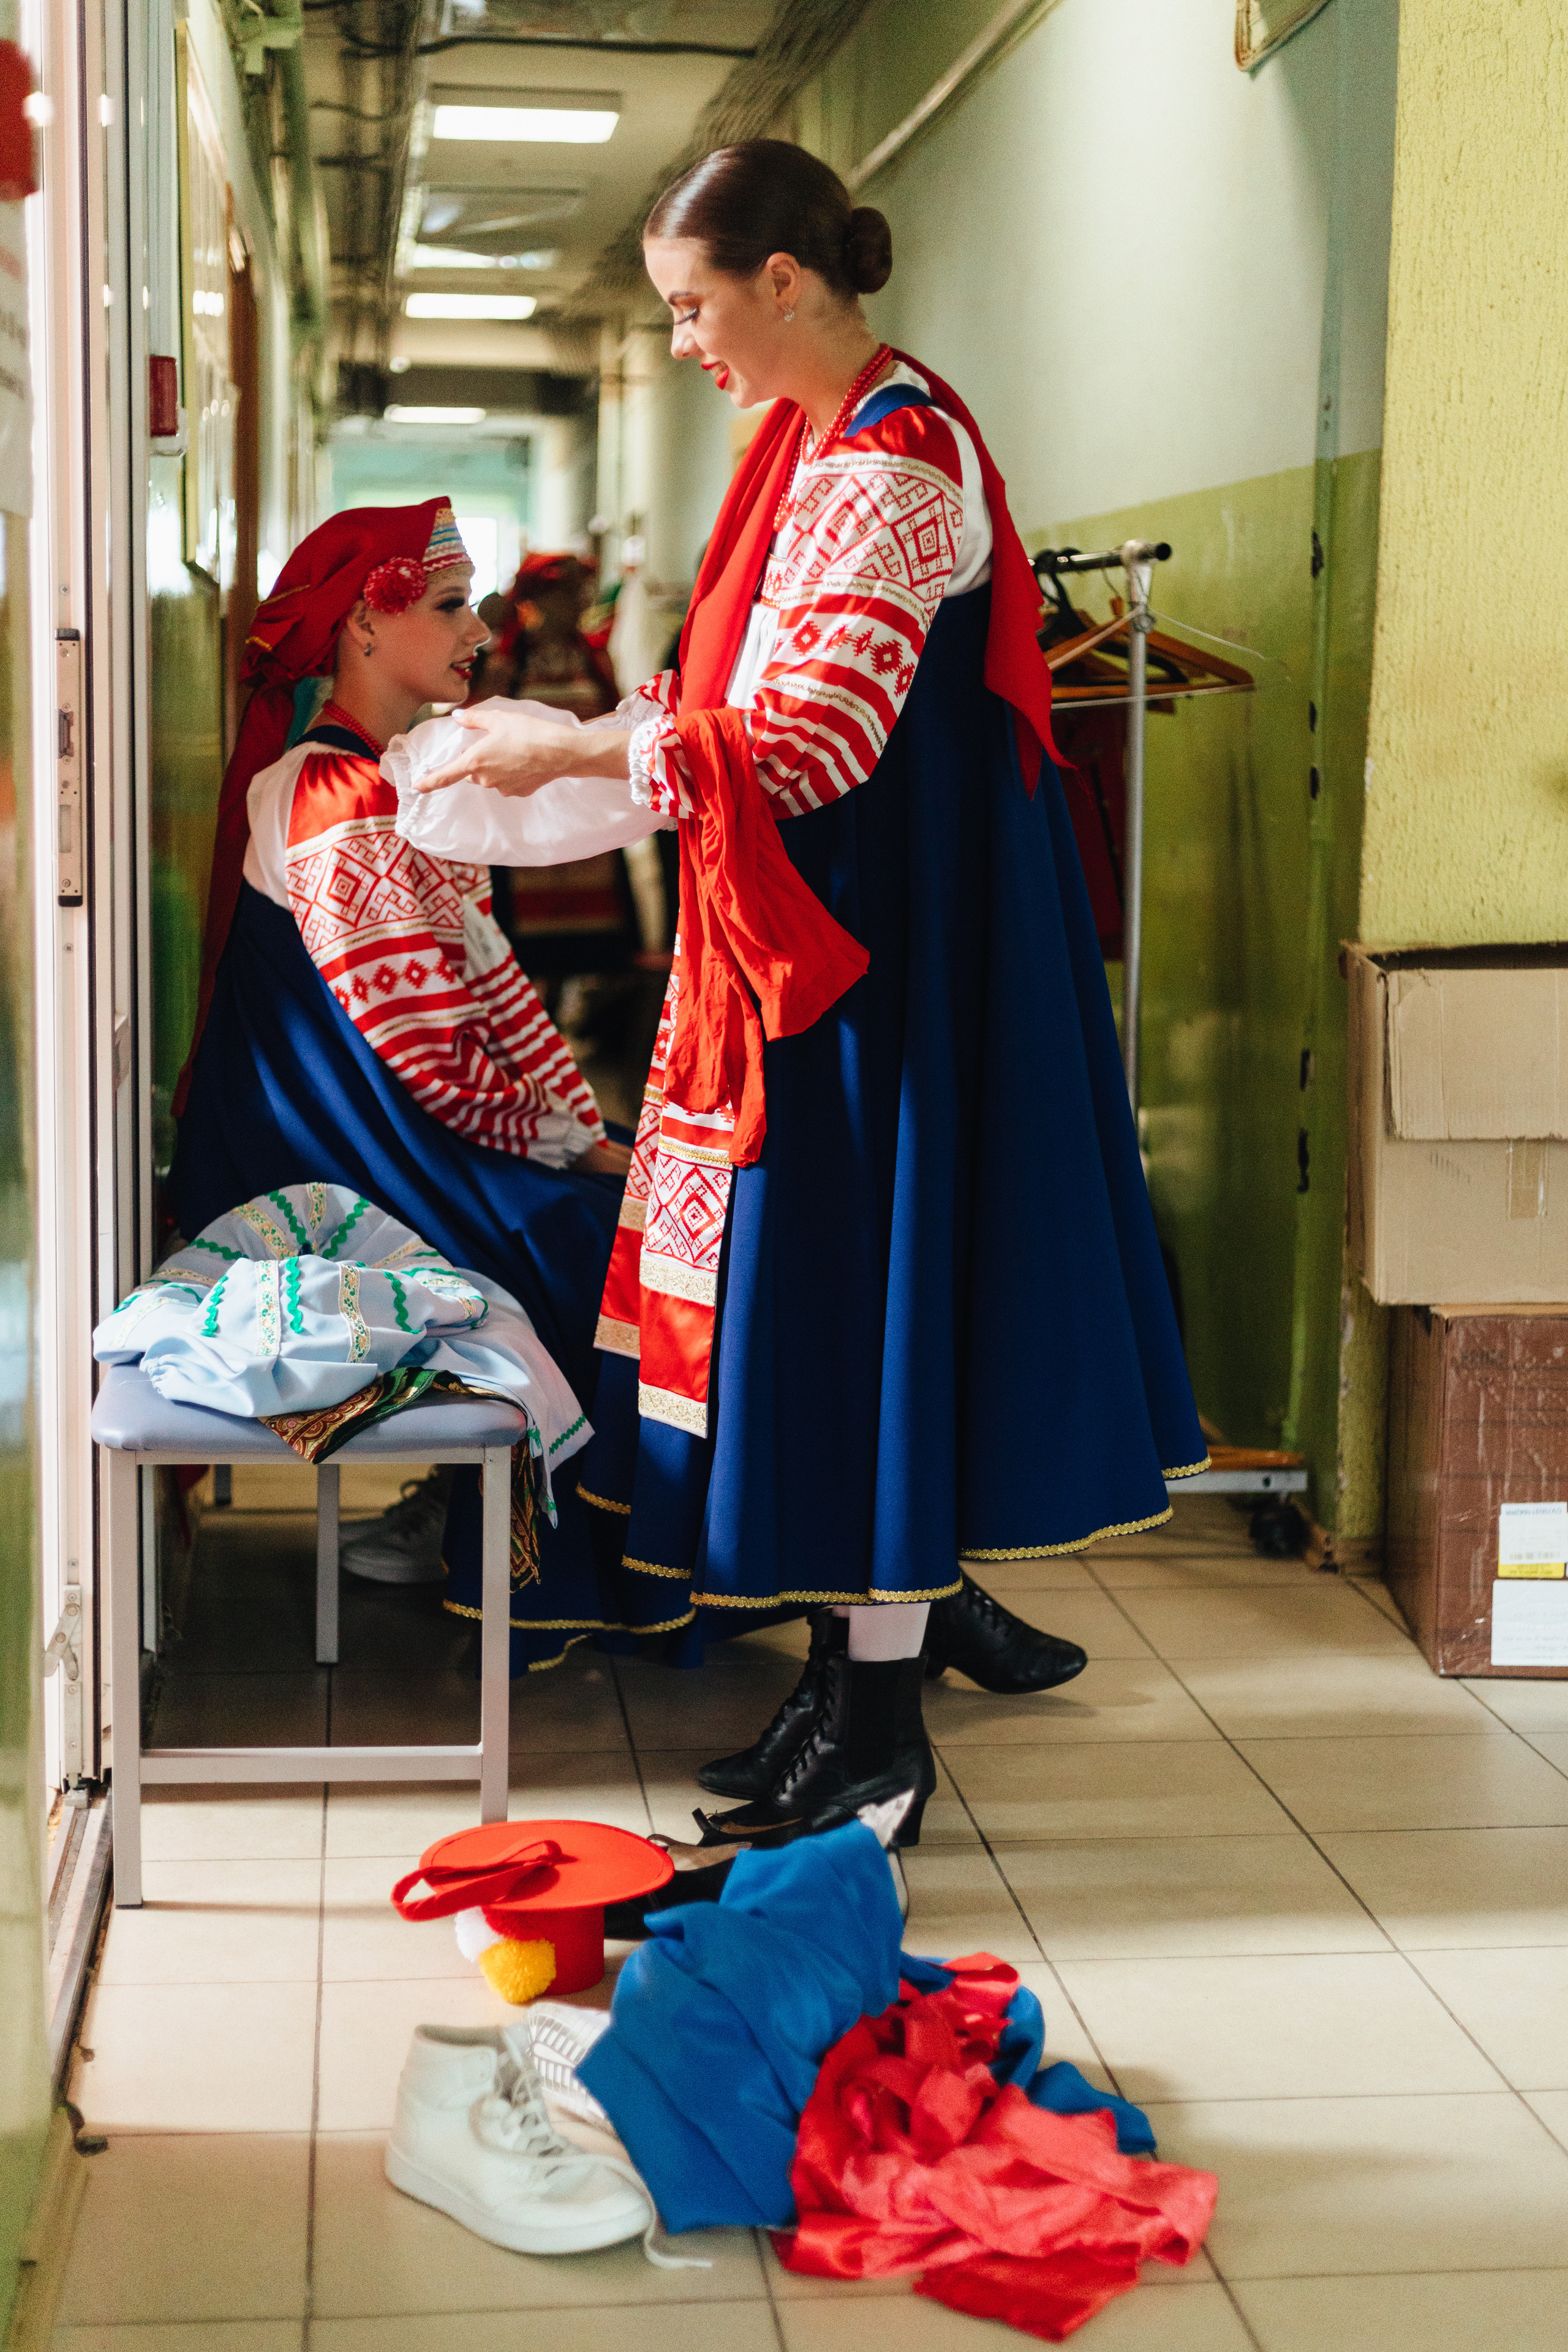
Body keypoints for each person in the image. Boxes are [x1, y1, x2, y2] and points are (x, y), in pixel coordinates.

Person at [402, 141, 1207, 1844]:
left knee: (859, 1329)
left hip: (872, 962)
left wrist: (572, 741)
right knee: (836, 1335)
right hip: (826, 946)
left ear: (784, 281)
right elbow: (735, 708)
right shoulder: (817, 447)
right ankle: (850, 1704)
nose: (687, 337)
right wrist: (613, 739)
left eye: (695, 304)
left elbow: (808, 740)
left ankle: (877, 1735)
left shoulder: (893, 466)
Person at [168, 500, 630, 1621]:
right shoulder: (336, 796)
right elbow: (431, 1056)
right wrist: (579, 1151)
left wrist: (581, 1131)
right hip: (324, 1161)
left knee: (625, 1213)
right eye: (449, 605)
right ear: (363, 628)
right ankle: (544, 1551)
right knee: (612, 1252)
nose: (479, 631)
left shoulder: (395, 781)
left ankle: (512, 1520)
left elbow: (488, 994)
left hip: (368, 1130)